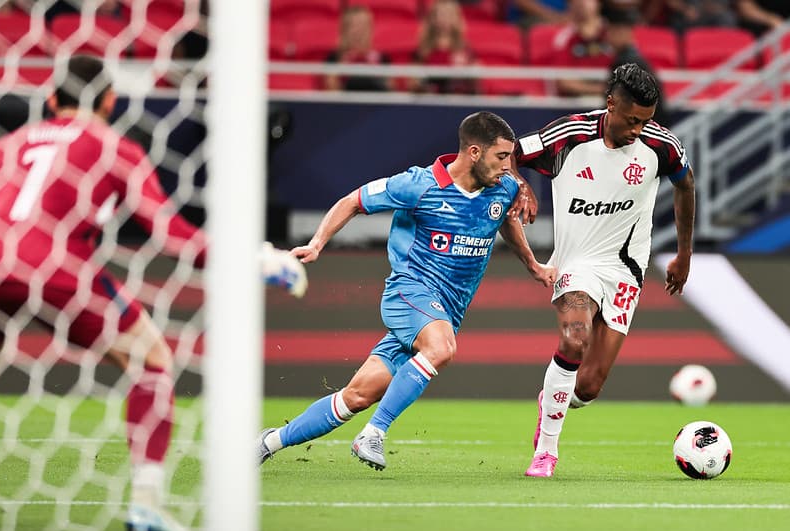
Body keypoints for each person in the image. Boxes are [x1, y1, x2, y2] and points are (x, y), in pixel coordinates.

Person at [0, 55, 305, 531]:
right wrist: (254, 260)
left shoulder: (10, 144)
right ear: (111, 102)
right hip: (52, 262)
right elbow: (171, 236)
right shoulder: (113, 145)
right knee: (153, 361)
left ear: (52, 102)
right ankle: (145, 505)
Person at [259, 111, 553, 471]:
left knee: (356, 396)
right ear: (474, 152)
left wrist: (534, 266)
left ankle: (266, 442)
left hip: (446, 310)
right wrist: (318, 243)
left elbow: (505, 220)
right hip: (408, 292)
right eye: (502, 157)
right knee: (441, 348)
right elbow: (354, 200)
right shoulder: (418, 185)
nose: (509, 168)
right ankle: (374, 434)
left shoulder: (503, 189)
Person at [513, 63, 695, 477]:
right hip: (577, 263)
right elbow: (509, 154)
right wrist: (520, 185)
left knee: (589, 386)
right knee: (574, 341)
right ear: (610, 103)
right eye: (632, 120)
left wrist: (684, 254)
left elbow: (686, 185)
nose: (638, 130)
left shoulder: (661, 146)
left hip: (626, 269)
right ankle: (546, 452)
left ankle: (552, 398)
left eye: (647, 121)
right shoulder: (570, 135)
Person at [605, 8, 672, 126]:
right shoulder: (634, 60)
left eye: (612, 31)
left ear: (625, 32)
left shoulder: (626, 63)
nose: (608, 36)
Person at [551, 0, 615, 97]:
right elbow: (564, 82)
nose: (581, 3)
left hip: (613, 99)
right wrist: (602, 89)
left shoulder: (614, 33)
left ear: (598, 3)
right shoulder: (564, 38)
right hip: (576, 100)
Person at [413, 0, 477, 95]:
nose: (445, 19)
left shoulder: (465, 49)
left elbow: (475, 81)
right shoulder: (423, 49)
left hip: (458, 99)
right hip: (430, 100)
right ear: (432, 18)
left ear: (457, 18)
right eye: (442, 14)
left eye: (450, 15)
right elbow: (413, 82)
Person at [324, 5, 390, 92]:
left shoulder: (382, 57)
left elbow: (391, 90)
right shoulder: (334, 58)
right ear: (344, 30)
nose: (359, 31)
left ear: (371, 29)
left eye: (363, 25)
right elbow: (330, 91)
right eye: (353, 26)